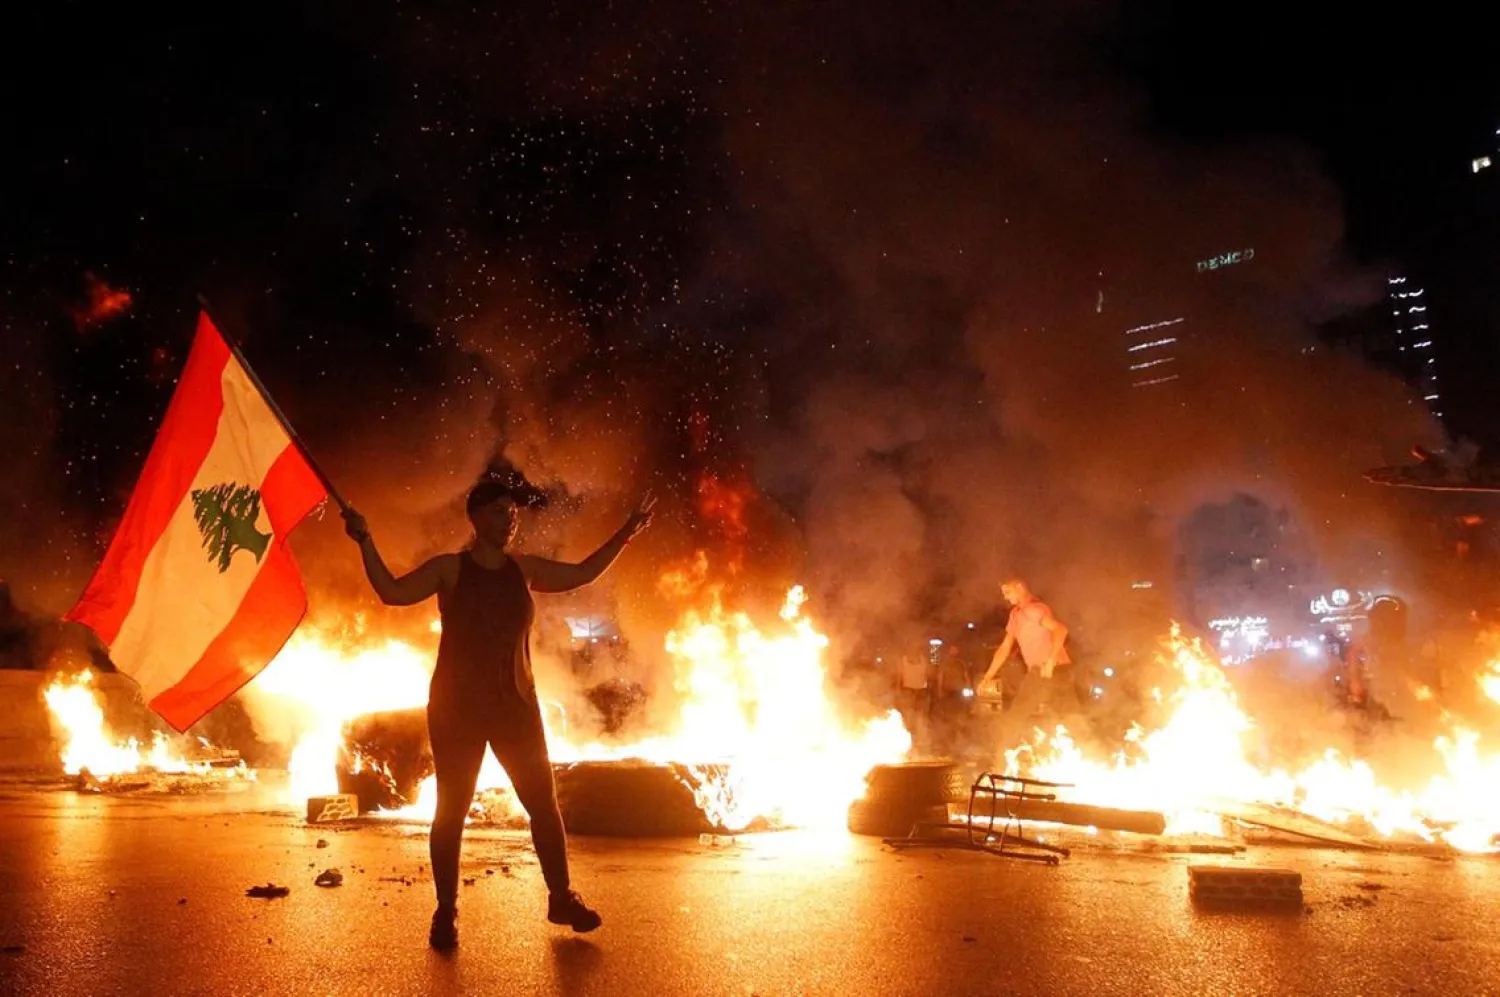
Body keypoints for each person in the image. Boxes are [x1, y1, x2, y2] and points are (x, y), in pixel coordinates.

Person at [342, 477, 655, 950]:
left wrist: (627, 531)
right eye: (498, 513)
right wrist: (365, 540)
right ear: (475, 517)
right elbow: (391, 591)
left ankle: (561, 897)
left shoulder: (522, 569)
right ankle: (445, 911)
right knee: (451, 812)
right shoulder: (450, 570)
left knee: (543, 807)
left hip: (515, 706)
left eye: (513, 514)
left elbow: (583, 572)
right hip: (457, 709)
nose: (509, 521)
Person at [977, 579, 1077, 713]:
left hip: (1057, 669)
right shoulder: (1015, 615)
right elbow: (1004, 648)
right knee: (1017, 715)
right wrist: (988, 677)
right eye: (1004, 594)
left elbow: (1060, 629)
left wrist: (1051, 660)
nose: (1005, 597)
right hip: (1037, 671)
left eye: (1008, 592)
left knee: (1069, 716)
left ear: (1020, 587)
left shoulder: (1035, 609)